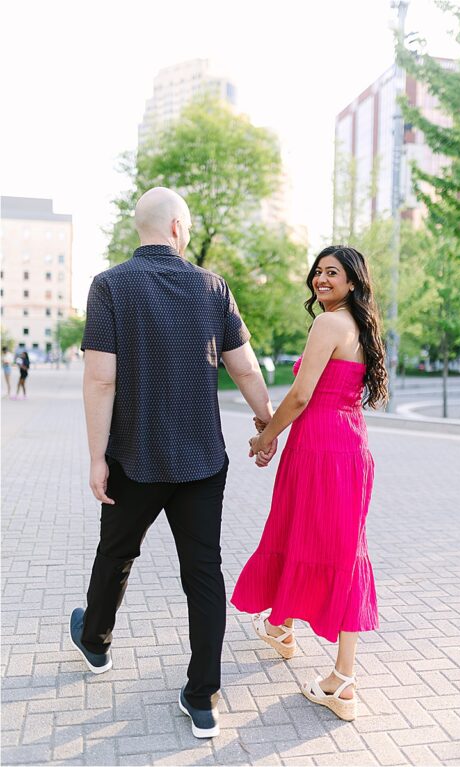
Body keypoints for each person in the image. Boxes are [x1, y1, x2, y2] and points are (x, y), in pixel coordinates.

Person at [69, 187, 276, 739]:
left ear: (141, 228)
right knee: (203, 573)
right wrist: (267, 425)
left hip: (134, 457)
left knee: (116, 552)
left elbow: (100, 377)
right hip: (202, 460)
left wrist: (96, 457)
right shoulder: (213, 287)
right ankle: (202, 696)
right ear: (180, 228)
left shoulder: (109, 285)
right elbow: (246, 369)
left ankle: (95, 640)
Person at [231, 245, 387, 722]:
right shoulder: (360, 327)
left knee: (314, 540)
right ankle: (281, 628)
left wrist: (264, 439)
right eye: (318, 272)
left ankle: (342, 681)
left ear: (353, 282)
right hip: (347, 446)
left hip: (320, 448)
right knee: (330, 544)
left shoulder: (329, 323)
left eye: (332, 273)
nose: (321, 280)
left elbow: (300, 396)